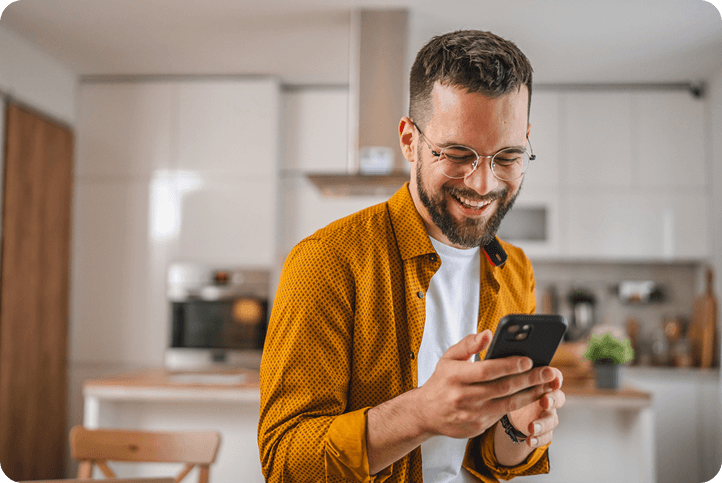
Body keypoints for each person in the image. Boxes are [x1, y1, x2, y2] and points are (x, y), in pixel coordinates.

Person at [258, 30, 565, 483]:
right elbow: (285, 462)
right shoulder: (326, 262)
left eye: (507, 156)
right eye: (458, 154)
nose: (482, 184)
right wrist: (420, 413)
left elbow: (490, 462)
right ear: (409, 141)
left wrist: (517, 429)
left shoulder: (513, 268)